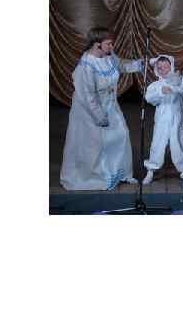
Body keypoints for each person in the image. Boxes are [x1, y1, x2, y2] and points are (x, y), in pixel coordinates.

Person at [60, 27, 143, 190]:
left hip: (110, 104)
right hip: (90, 111)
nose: (112, 47)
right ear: (96, 44)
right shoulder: (86, 66)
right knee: (96, 144)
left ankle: (119, 172)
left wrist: (142, 63)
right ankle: (98, 176)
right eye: (108, 44)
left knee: (121, 135)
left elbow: (121, 65)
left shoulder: (108, 55)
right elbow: (87, 96)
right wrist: (99, 116)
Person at [142, 55, 183, 185]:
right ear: (156, 70)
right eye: (160, 68)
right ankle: (151, 170)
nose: (163, 70)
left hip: (177, 119)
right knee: (158, 144)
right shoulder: (155, 85)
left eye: (166, 67)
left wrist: (175, 85)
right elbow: (149, 98)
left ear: (171, 67)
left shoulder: (179, 82)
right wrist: (161, 92)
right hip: (162, 120)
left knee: (179, 143)